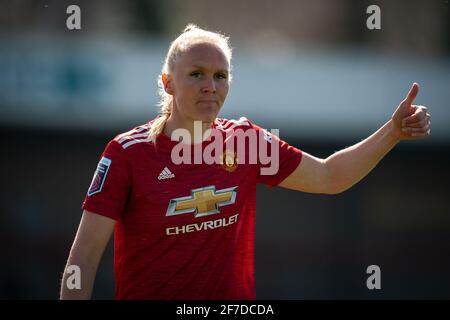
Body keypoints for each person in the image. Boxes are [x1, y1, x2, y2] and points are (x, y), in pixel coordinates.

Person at [60, 24, 431, 300]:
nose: (211, 85)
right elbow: (84, 257)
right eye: (196, 74)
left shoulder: (246, 141)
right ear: (168, 83)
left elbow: (330, 176)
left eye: (221, 76)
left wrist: (393, 133)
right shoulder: (127, 153)